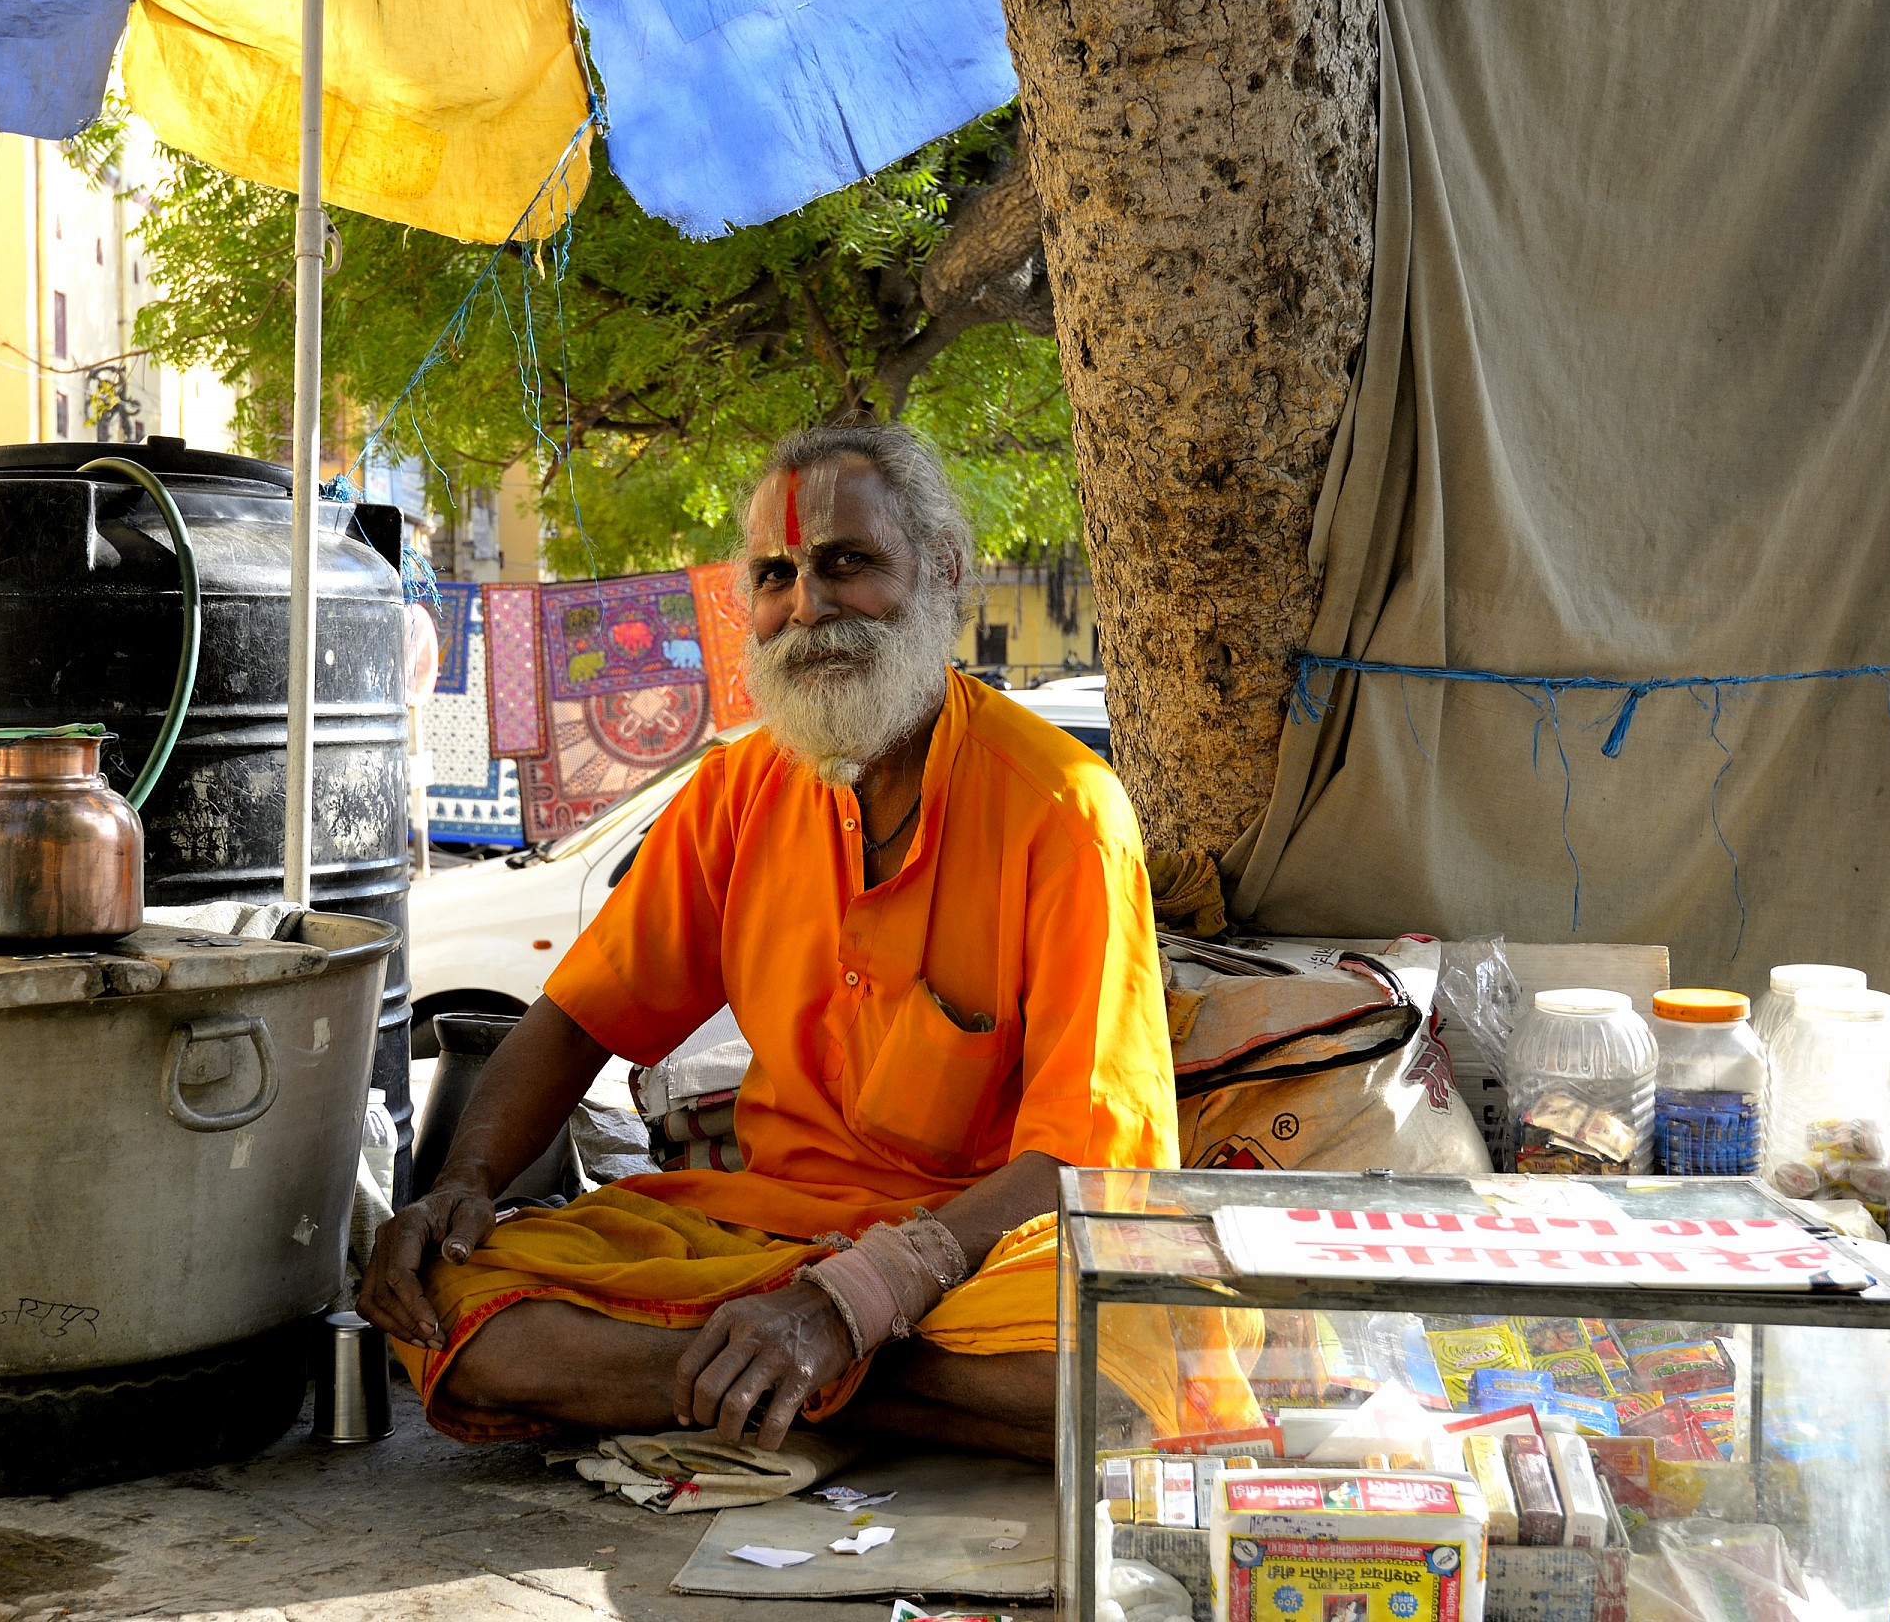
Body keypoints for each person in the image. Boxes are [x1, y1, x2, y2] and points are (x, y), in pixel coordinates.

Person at [361, 424, 1256, 1457]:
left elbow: (1084, 1158)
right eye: (777, 575)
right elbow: (575, 1021)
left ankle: (757, 1381)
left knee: (1136, 1363)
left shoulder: (1064, 809)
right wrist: (460, 1188)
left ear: (944, 570)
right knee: (454, 1314)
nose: (809, 606)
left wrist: (851, 1304)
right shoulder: (739, 791)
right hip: (753, 1235)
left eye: (848, 564)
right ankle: (796, 1384)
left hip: (975, 1255)